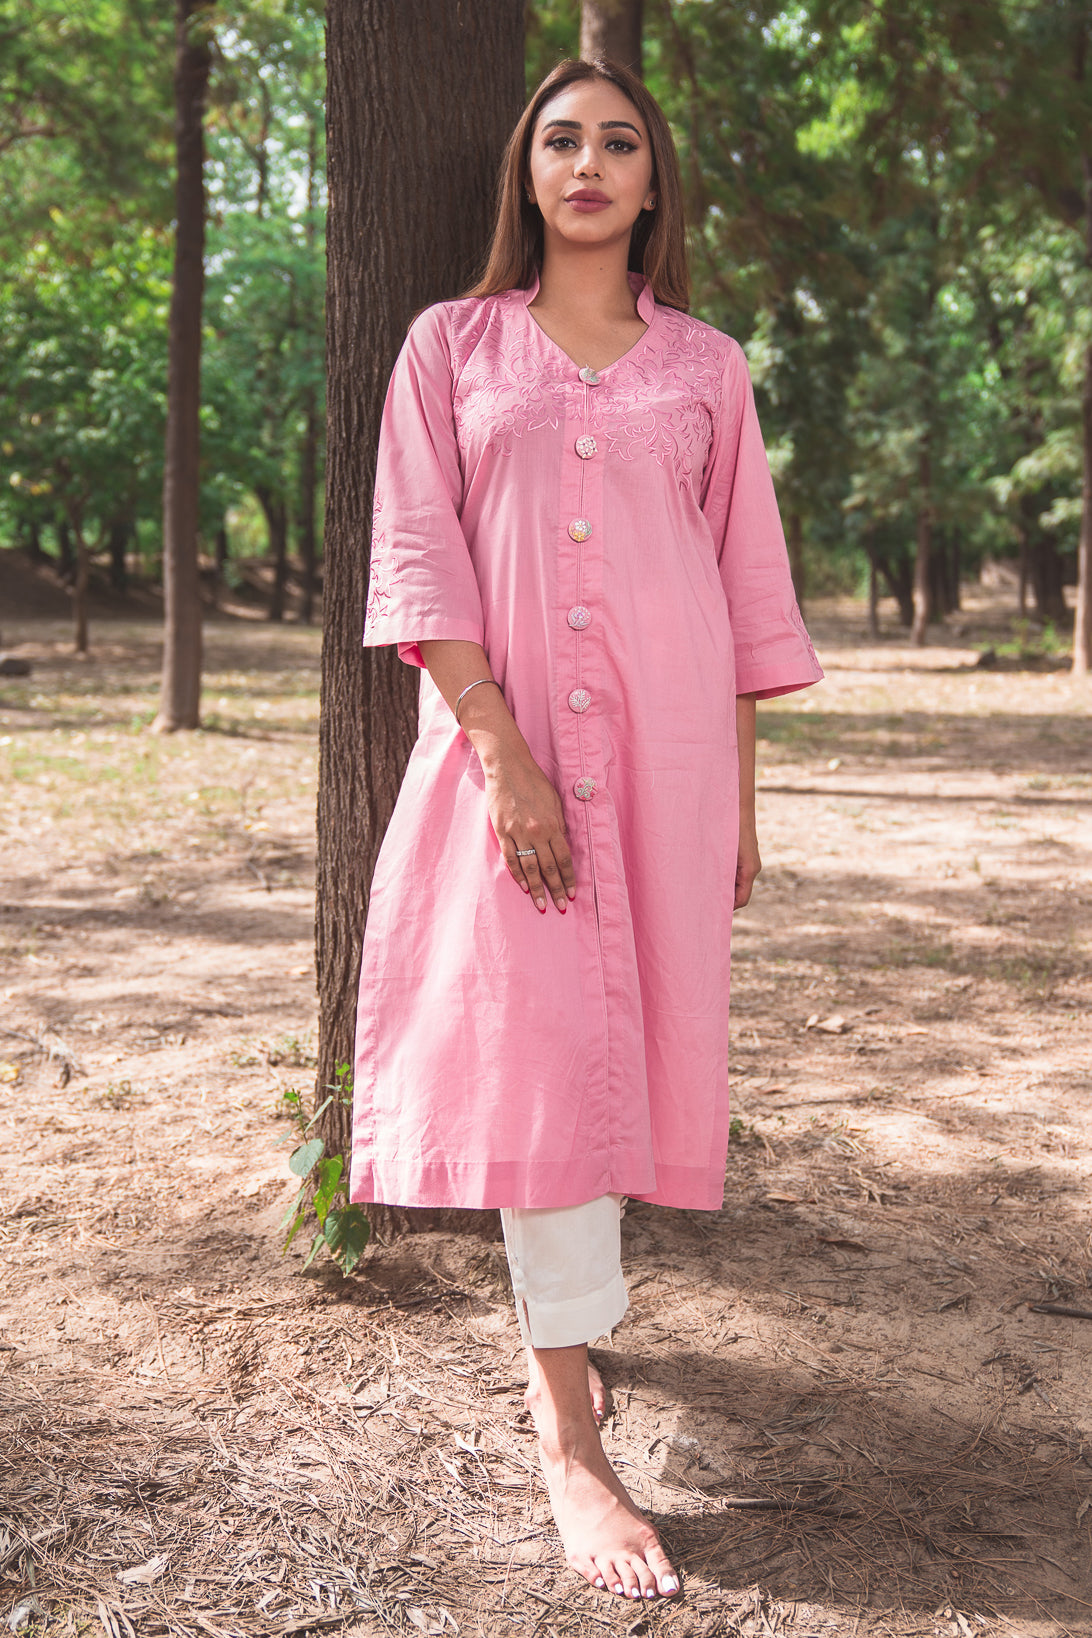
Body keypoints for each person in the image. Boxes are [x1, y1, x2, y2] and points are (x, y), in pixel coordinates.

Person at [349, 57, 823, 1603]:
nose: (591, 161)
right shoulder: (453, 345)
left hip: (676, 762)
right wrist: (502, 751)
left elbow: (748, 600)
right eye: (562, 139)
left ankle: (576, 1347)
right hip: (512, 755)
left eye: (621, 140)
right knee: (542, 1056)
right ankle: (568, 1430)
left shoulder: (709, 368)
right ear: (527, 173)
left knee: (633, 1048)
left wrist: (737, 803)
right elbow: (421, 555)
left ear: (653, 180)